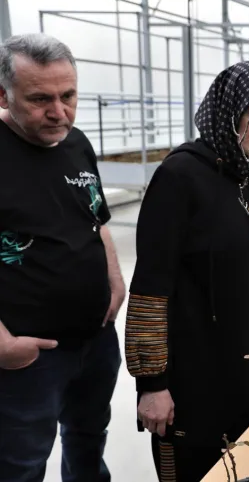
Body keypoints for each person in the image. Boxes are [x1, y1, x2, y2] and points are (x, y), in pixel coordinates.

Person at [126, 60, 249, 482]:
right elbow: (151, 287)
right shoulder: (179, 177)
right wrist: (151, 383)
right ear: (230, 109)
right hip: (192, 378)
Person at [0, 33, 125, 482]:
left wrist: (114, 280)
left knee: (88, 439)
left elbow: (95, 214)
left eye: (68, 95)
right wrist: (4, 345)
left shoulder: (76, 142)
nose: (59, 112)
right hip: (30, 356)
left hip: (95, 339)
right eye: (39, 99)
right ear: (3, 94)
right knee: (20, 461)